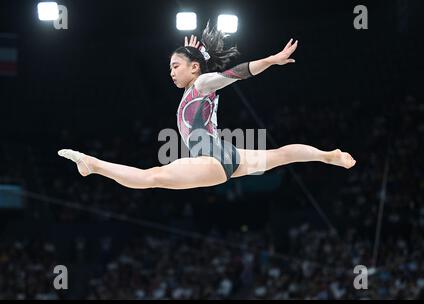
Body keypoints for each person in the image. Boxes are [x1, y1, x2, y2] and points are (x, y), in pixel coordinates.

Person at [58, 22, 356, 190]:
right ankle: (326, 156)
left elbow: (238, 73)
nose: (171, 72)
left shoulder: (202, 83)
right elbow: (206, 70)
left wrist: (271, 60)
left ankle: (92, 164)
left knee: (152, 177)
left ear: (194, 68)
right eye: (170, 67)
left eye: (176, 66)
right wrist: (197, 52)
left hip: (211, 157)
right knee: (281, 155)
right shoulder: (197, 85)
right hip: (227, 154)